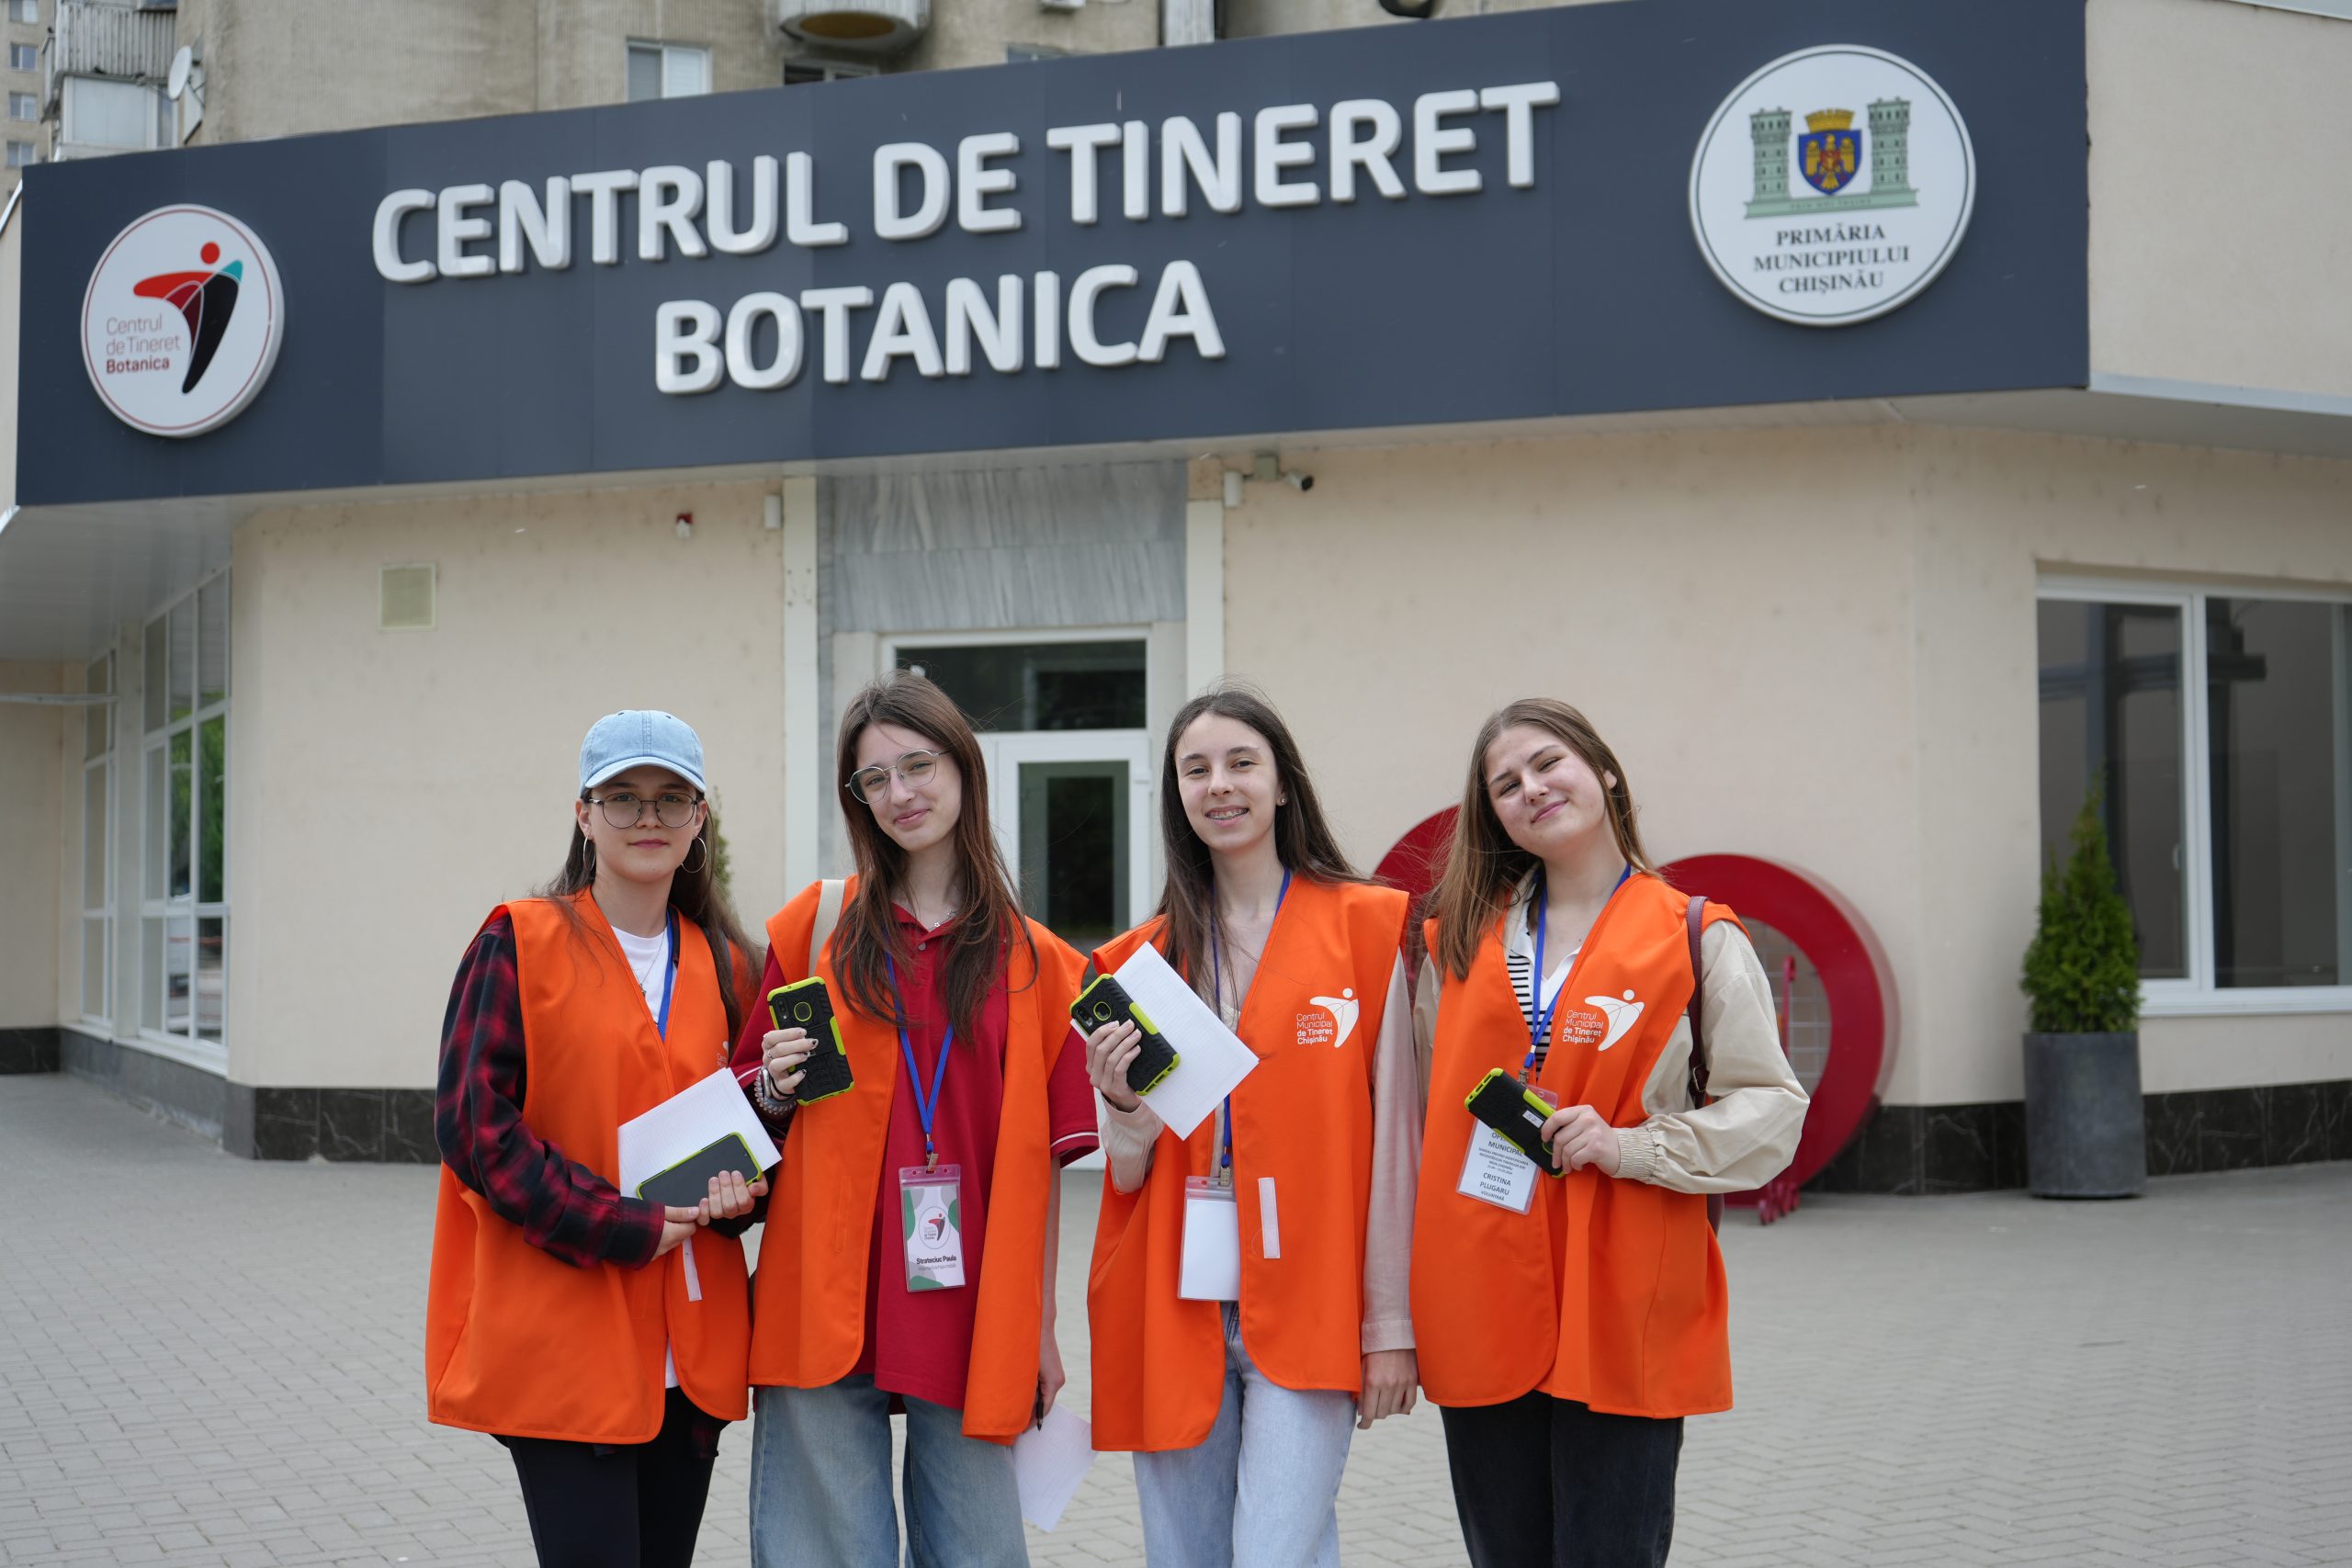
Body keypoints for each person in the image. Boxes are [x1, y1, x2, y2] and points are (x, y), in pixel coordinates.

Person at [1409, 698, 1809, 1568]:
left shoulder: (1694, 935)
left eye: (1548, 763)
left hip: (1626, 1303)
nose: (1531, 788)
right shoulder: (1457, 945)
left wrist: (1633, 1145)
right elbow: (1417, 1122)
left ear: (1606, 772)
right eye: (1505, 784)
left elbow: (1773, 1111)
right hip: (1480, 1299)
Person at [729, 671, 1099, 1568]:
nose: (901, 793)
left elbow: (1044, 1173)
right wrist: (770, 1083)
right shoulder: (814, 928)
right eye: (875, 778)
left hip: (969, 1305)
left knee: (977, 1551)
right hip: (823, 1293)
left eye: (919, 766)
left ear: (963, 768)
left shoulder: (1041, 964)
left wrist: (1042, 1326)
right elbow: (743, 1115)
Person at [1080, 686, 1420, 1568]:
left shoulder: (1366, 929)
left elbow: (1395, 1148)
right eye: (1196, 769)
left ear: (1282, 783)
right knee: (1184, 1555)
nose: (1219, 785)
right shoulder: (1140, 962)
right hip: (1175, 1292)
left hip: (1311, 1292)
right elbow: (1124, 1174)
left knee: (1278, 1552)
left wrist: (1390, 1323)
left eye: (1241, 763)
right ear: (1177, 795)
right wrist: (1124, 1107)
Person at [427, 708, 765, 1568]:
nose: (648, 817)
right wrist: (622, 1223)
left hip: (691, 1356)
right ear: (583, 813)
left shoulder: (729, 963)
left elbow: (749, 1138)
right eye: (623, 797)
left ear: (698, 818)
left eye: (670, 798)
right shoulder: (519, 939)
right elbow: (476, 1130)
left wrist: (739, 1198)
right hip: (565, 1344)